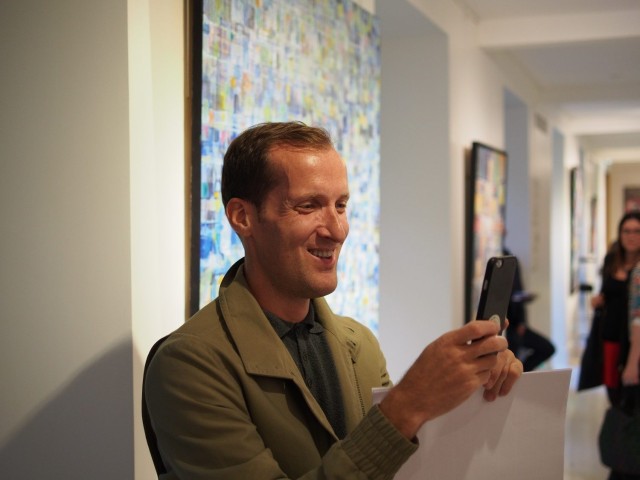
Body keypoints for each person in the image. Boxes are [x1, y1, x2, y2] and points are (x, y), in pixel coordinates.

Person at [144, 121, 523, 479]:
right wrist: (407, 404)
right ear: (243, 217)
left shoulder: (361, 344)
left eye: (341, 205)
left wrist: (474, 394)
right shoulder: (190, 364)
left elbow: (406, 466)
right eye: (308, 206)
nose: (337, 230)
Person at [591, 212, 640, 480]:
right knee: (614, 395)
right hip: (609, 341)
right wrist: (599, 300)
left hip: (630, 344)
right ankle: (621, 452)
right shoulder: (613, 261)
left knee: (629, 399)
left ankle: (626, 459)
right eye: (626, 231)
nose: (631, 236)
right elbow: (606, 292)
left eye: (636, 231)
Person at [503, 247, 555, 371]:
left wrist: (521, 321)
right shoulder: (500, 257)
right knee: (509, 359)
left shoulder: (511, 258)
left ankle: (521, 373)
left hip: (515, 323)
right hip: (505, 326)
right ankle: (517, 374)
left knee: (547, 348)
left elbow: (518, 291)